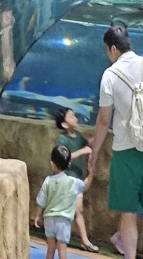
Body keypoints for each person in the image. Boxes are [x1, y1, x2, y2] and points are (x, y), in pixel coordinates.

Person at [86, 25, 143, 259]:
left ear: (113, 49)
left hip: (125, 152)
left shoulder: (110, 75)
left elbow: (104, 119)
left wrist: (95, 150)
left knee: (128, 212)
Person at [52, 105, 98, 251]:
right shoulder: (62, 139)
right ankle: (82, 240)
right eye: (71, 116)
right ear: (64, 124)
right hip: (67, 178)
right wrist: (83, 151)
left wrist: (98, 134)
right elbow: (63, 157)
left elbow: (88, 144)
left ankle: (82, 240)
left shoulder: (78, 136)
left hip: (77, 178)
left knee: (78, 210)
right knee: (74, 210)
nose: (75, 118)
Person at [34, 143, 85, 259]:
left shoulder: (48, 180)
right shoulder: (72, 182)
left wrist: (37, 215)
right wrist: (91, 173)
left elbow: (41, 200)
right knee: (62, 249)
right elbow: (85, 185)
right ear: (69, 164)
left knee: (50, 249)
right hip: (63, 221)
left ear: (52, 163)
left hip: (49, 220)